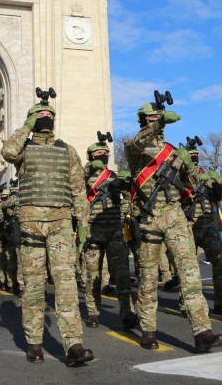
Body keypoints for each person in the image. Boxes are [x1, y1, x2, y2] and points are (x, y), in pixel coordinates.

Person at [1, 91, 94, 366]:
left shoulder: (67, 151)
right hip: (31, 225)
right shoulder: (23, 149)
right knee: (33, 285)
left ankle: (74, 344)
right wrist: (27, 126)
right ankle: (34, 343)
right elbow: (7, 151)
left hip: (61, 223)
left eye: (49, 115)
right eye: (40, 115)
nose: (45, 119)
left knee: (66, 284)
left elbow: (78, 190)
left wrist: (83, 223)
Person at [124, 100, 222, 352]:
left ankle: (202, 331)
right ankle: (148, 329)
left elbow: (192, 184)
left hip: (175, 215)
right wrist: (157, 124)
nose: (157, 123)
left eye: (159, 118)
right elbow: (135, 144)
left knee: (190, 273)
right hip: (147, 218)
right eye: (152, 119)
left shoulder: (172, 152)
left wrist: (188, 165)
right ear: (143, 121)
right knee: (148, 277)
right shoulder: (134, 149)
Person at [81, 137, 138, 329]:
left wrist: (126, 185)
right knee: (93, 275)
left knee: (121, 273)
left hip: (115, 230)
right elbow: (73, 186)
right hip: (93, 232)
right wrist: (88, 169)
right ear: (91, 156)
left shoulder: (114, 176)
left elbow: (129, 197)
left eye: (105, 153)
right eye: (98, 153)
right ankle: (93, 312)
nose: (103, 156)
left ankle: (127, 311)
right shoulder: (84, 177)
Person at [182, 146, 222, 316]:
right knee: (187, 268)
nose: (195, 159)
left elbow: (217, 198)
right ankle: (186, 304)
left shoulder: (206, 178)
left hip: (206, 226)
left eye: (196, 156)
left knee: (220, 261)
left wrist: (219, 184)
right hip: (186, 226)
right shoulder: (179, 177)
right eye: (192, 156)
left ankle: (221, 303)